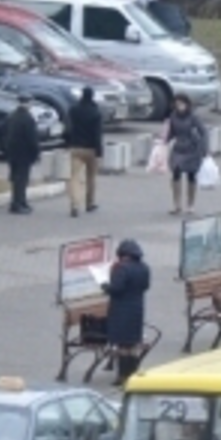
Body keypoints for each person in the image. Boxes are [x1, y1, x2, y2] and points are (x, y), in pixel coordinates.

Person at [102, 239, 151, 387]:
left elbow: (116, 289)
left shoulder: (122, 269)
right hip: (137, 308)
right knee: (132, 345)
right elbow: (146, 286)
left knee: (123, 346)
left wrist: (105, 286)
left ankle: (122, 375)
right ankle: (133, 372)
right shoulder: (144, 268)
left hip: (121, 310)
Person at [164, 97, 209, 215]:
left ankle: (190, 204)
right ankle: (176, 204)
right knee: (176, 173)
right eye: (177, 104)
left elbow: (203, 132)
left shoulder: (193, 117)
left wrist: (204, 149)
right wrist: (164, 141)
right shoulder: (173, 116)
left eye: (182, 104)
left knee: (191, 175)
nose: (180, 107)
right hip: (178, 148)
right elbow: (171, 132)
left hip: (192, 149)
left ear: (187, 105)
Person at [65, 87, 103, 218]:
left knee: (75, 177)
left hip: (76, 147)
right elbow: (98, 134)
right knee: (91, 177)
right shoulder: (95, 112)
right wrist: (99, 152)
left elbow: (68, 128)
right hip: (91, 149)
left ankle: (75, 205)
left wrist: (68, 143)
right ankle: (90, 203)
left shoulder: (73, 110)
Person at [2, 98, 40, 215]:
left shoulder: (11, 116)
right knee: (21, 179)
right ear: (28, 104)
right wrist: (36, 152)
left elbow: (4, 132)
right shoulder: (28, 119)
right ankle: (17, 203)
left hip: (12, 151)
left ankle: (21, 201)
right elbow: (32, 138)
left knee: (15, 178)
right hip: (24, 152)